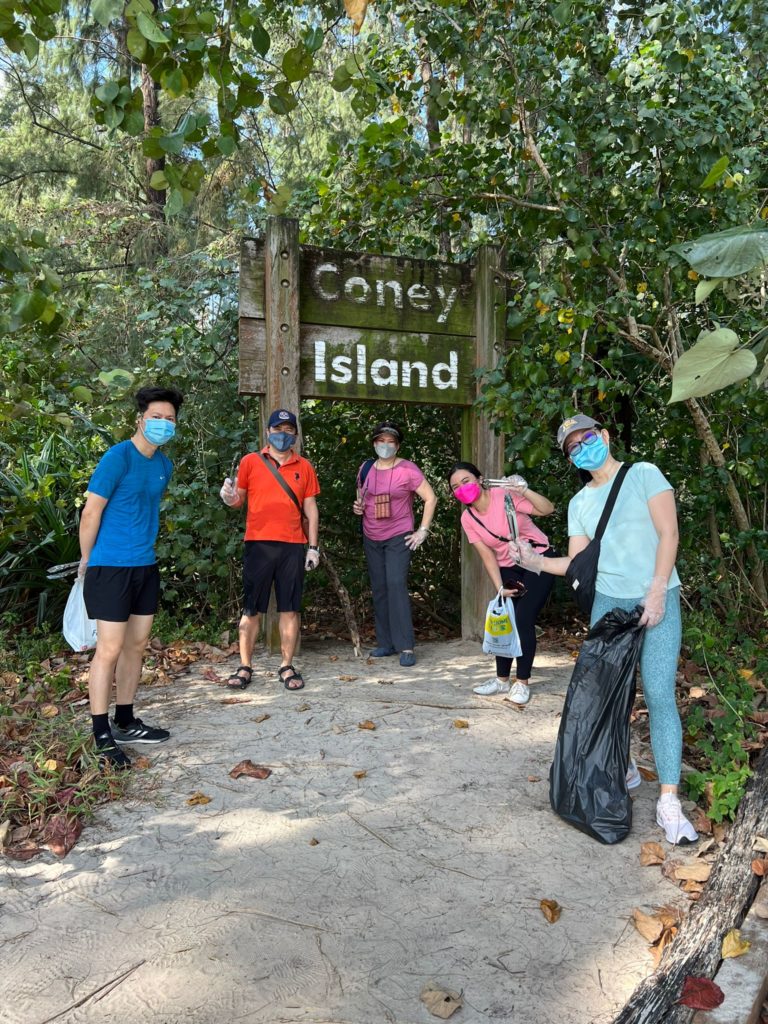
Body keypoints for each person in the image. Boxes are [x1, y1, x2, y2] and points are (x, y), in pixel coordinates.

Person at [511, 413, 698, 846]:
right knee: (606, 697)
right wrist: (533, 560)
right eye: (573, 447)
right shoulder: (580, 503)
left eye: (587, 438)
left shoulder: (644, 473)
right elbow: (576, 564)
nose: (582, 448)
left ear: (606, 436)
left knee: (657, 693)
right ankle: (622, 767)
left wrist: (655, 592)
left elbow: (669, 534)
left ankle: (669, 800)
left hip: (657, 597)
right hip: (608, 605)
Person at [79, 384, 183, 769]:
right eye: (156, 417)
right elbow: (91, 512)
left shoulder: (163, 465)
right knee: (108, 649)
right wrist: (87, 560)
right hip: (110, 566)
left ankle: (125, 719)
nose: (162, 423)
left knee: (136, 646)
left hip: (145, 565)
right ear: (140, 419)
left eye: (169, 419)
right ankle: (102, 733)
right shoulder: (117, 457)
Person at [220, 408, 320, 692]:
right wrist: (229, 497)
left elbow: (311, 508)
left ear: (296, 435)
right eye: (278, 429)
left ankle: (286, 665)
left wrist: (313, 547)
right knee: (252, 608)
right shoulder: (251, 461)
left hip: (293, 545)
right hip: (258, 544)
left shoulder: (305, 466)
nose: (282, 435)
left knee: (290, 608)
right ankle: (245, 665)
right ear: (268, 432)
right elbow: (238, 498)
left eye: (288, 431)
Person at [448, 462, 556, 704]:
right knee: (504, 618)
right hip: (509, 565)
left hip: (538, 558)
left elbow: (547, 509)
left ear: (480, 478)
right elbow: (487, 556)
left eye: (466, 481)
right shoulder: (468, 518)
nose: (462, 488)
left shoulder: (504, 495)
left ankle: (522, 682)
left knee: (523, 618)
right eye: (455, 487)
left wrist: (523, 489)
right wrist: (499, 588)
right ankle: (501, 680)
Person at [352, 422, 437, 667]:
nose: (385, 446)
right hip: (371, 535)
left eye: (391, 442)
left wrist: (422, 530)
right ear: (374, 443)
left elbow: (431, 498)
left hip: (399, 535)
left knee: (396, 584)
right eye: (381, 441)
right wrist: (358, 507)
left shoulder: (408, 469)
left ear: (397, 445)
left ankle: (406, 646)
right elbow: (361, 497)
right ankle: (386, 643)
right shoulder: (366, 468)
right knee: (379, 587)